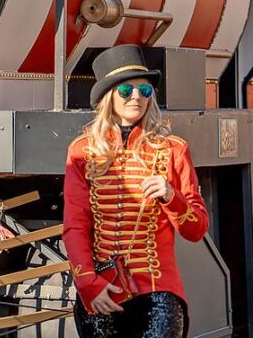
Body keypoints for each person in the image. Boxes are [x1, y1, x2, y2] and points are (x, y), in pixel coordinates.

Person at [63, 45, 209, 338]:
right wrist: (89, 285)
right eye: (126, 90)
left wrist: (171, 196)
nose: (136, 97)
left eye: (144, 90)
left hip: (158, 292)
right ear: (108, 97)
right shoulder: (81, 151)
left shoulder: (173, 150)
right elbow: (75, 226)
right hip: (102, 291)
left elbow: (197, 230)